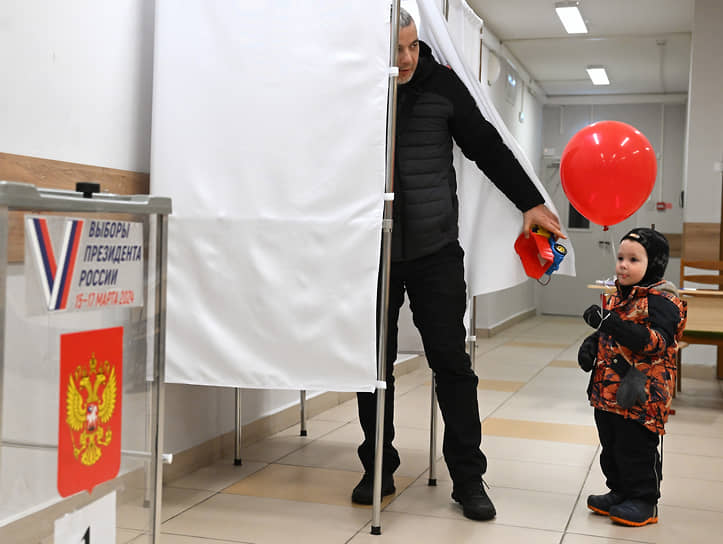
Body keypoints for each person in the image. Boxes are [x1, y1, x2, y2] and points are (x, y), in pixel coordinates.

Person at [351, 8, 565, 521]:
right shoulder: (358, 86)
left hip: (435, 252)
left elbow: (486, 145)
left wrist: (530, 200)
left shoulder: (442, 86)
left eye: (412, 47)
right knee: (370, 365)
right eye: (395, 50)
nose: (404, 59)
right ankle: (378, 465)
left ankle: (468, 477)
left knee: (451, 364)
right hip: (371, 251)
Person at [578, 228, 686, 527]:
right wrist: (590, 346)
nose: (623, 265)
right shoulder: (620, 297)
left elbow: (655, 342)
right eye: (621, 257)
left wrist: (609, 323)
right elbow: (606, 335)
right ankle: (620, 490)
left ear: (653, 264)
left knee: (636, 447)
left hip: (643, 395)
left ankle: (643, 499)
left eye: (634, 260)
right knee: (611, 444)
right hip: (608, 392)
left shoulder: (663, 301)